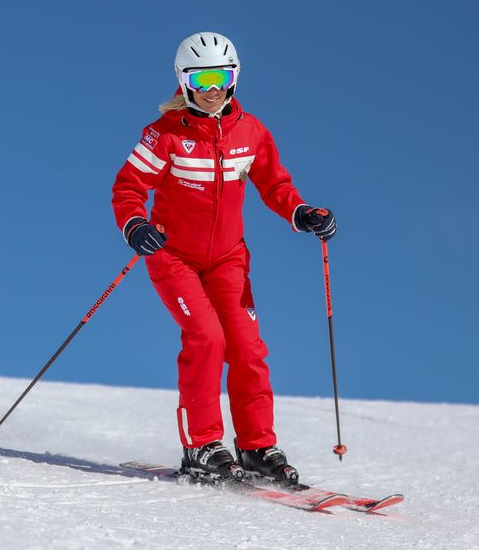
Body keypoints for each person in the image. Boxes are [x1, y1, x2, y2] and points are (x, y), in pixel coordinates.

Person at [111, 32, 337, 483]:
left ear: (234, 79)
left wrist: (301, 211)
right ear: (184, 81)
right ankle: (202, 446)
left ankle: (256, 447)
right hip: (173, 256)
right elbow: (129, 187)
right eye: (202, 78)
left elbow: (275, 185)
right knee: (206, 338)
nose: (212, 89)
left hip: (228, 260)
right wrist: (135, 225)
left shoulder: (249, 132)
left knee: (248, 348)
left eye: (222, 77)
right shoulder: (165, 135)